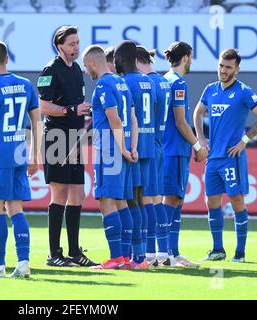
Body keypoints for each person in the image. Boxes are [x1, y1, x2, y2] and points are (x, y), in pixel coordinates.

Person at [193, 49, 257, 262]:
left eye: (228, 67)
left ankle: (240, 253)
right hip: (213, 158)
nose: (223, 70)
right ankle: (218, 250)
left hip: (231, 157)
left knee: (236, 200)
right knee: (211, 202)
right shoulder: (210, 90)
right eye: (221, 66)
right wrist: (200, 138)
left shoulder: (244, 91)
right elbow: (197, 112)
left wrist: (244, 141)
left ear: (237, 69)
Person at [0, 40, 41, 278]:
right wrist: (36, 154)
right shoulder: (25, 84)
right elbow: (37, 122)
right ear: (7, 59)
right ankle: (23, 264)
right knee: (16, 208)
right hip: (19, 152)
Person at [38, 25, 97, 267]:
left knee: (78, 194)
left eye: (77, 43)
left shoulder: (76, 71)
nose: (76, 47)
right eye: (72, 43)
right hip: (56, 137)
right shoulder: (51, 70)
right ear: (60, 45)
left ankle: (74, 252)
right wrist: (70, 110)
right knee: (59, 194)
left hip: (74, 137)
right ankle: (54, 254)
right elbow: (43, 106)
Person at [82, 44, 140, 270]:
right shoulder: (122, 83)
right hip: (123, 150)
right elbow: (132, 119)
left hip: (110, 151)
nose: (87, 71)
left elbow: (115, 120)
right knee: (122, 203)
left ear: (94, 63)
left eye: (87, 66)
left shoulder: (104, 84)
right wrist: (132, 147)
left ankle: (116, 257)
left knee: (106, 202)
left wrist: (124, 149)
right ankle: (124, 257)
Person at [163, 41, 207, 267]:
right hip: (175, 149)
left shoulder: (164, 79)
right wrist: (198, 146)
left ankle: (171, 252)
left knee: (175, 198)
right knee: (172, 199)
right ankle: (166, 253)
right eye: (191, 57)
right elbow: (181, 121)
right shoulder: (178, 83)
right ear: (187, 57)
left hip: (166, 148)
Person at [114, 40, 154, 270]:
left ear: (120, 60)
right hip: (148, 146)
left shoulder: (123, 84)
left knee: (130, 202)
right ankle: (142, 254)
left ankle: (135, 257)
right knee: (141, 200)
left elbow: (127, 118)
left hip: (131, 147)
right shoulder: (149, 81)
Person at [136, 45, 171, 266]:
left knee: (146, 200)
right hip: (160, 143)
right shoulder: (164, 82)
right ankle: (164, 252)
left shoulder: (146, 83)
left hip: (147, 144)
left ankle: (149, 254)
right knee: (157, 200)